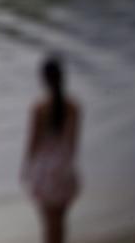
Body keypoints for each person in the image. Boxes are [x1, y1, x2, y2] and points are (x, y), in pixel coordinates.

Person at [22, 56, 82, 243]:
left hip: (45, 170)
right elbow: (73, 144)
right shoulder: (74, 107)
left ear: (44, 79)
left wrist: (26, 169)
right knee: (61, 222)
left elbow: (32, 144)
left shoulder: (39, 109)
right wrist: (69, 166)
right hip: (64, 167)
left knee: (49, 224)